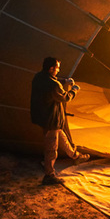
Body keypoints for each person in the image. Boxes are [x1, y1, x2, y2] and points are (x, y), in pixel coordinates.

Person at [30, 56, 89, 185]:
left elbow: (52, 81)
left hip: (43, 117)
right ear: (51, 68)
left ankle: (76, 156)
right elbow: (65, 97)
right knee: (51, 149)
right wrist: (74, 90)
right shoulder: (53, 85)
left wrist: (64, 80)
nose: (58, 70)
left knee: (63, 137)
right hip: (52, 120)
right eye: (57, 68)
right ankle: (49, 175)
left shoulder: (38, 77)